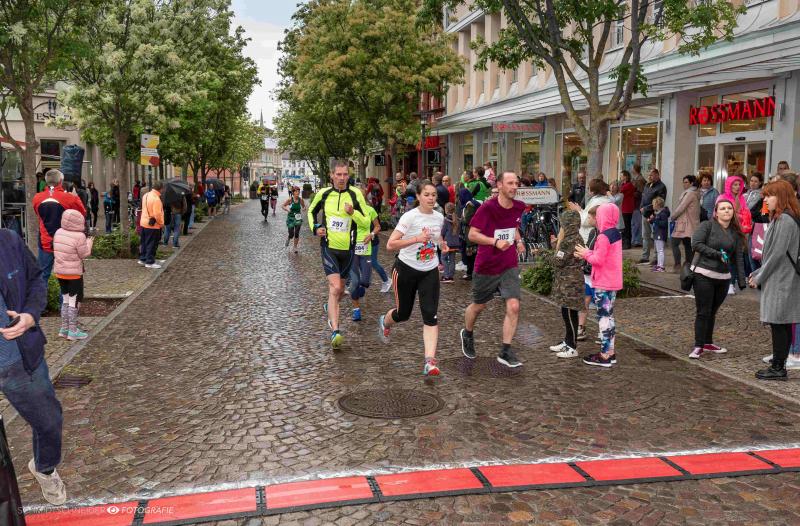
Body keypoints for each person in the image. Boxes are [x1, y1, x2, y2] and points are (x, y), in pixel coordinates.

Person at [0, 228, 66, 505]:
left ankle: (45, 468)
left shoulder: (8, 240)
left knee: (49, 422)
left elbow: (36, 278)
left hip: (19, 360)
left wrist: (29, 315)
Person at [378, 181, 447, 376]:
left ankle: (429, 362)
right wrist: (416, 239)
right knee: (403, 314)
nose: (431, 198)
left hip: (429, 270)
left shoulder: (439, 217)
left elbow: (436, 238)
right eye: (427, 194)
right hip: (405, 270)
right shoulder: (409, 217)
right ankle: (385, 321)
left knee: (430, 315)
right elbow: (390, 245)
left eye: (433, 195)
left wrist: (442, 245)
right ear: (418, 196)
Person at [459, 172, 527, 368]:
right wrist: (495, 242)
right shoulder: (487, 208)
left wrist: (519, 241)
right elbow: (472, 235)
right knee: (479, 306)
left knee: (514, 306)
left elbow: (513, 226)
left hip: (508, 264)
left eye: (516, 183)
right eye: (510, 183)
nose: (514, 187)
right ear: (499, 185)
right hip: (487, 265)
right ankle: (467, 333)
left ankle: (505, 350)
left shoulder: (519, 206)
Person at [308, 161, 370, 350]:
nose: (342, 178)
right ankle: (335, 330)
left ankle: (330, 306)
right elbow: (311, 211)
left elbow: (366, 221)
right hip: (329, 248)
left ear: (348, 176)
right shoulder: (324, 194)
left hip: (348, 251)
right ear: (332, 175)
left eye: (345, 174)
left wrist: (353, 213)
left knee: (340, 290)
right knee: (335, 287)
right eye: (339, 174)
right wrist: (316, 227)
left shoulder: (355, 194)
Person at [750, 180, 800, 379]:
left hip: (782, 279)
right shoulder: (781, 217)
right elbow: (773, 253)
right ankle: (779, 364)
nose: (766, 200)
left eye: (769, 196)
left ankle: (778, 367)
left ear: (781, 197)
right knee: (781, 323)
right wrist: (758, 272)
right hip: (781, 277)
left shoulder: (785, 220)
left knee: (779, 323)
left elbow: (777, 253)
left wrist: (759, 276)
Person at [688, 197, 746, 359]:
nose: (726, 210)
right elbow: (696, 244)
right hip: (703, 274)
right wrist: (717, 254)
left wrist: (742, 281)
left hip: (723, 278)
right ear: (716, 212)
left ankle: (707, 343)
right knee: (703, 311)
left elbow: (738, 257)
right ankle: (698, 346)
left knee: (712, 311)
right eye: (722, 208)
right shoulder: (707, 226)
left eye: (729, 208)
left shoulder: (735, 233)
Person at [574, 203, 623, 367]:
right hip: (612, 281)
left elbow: (598, 260)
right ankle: (610, 352)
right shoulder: (615, 233)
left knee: (604, 318)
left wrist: (585, 253)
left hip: (603, 281)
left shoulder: (603, 236)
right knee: (609, 317)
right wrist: (589, 253)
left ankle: (605, 355)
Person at [32, 169, 86, 285]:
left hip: (45, 242)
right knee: (65, 276)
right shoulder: (69, 198)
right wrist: (75, 197)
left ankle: (41, 297)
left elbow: (38, 213)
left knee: (43, 275)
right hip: (65, 243)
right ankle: (64, 298)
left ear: (46, 181)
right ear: (61, 181)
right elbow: (81, 213)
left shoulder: (37, 197)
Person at [545, 210, 584, 358]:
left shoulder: (568, 241)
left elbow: (558, 261)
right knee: (567, 312)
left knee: (569, 313)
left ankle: (572, 346)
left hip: (570, 284)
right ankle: (567, 341)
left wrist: (541, 252)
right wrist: (557, 244)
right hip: (569, 282)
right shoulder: (575, 237)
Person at [52, 210, 94, 341]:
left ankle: (64, 328)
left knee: (65, 300)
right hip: (74, 274)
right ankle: (73, 331)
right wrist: (89, 243)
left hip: (60, 272)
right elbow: (84, 254)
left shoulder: (58, 232)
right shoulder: (79, 236)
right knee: (73, 301)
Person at [346, 187, 380, 322]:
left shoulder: (370, 210)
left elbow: (377, 226)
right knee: (354, 281)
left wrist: (371, 235)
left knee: (365, 282)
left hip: (366, 250)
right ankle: (356, 310)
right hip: (351, 250)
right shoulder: (347, 211)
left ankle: (358, 288)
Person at [720, 175, 753, 294]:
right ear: (729, 185)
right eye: (735, 184)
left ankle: (731, 284)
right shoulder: (722, 197)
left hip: (738, 233)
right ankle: (722, 282)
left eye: (739, 184)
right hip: (724, 231)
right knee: (724, 258)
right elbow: (717, 213)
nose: (738, 187)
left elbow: (745, 215)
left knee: (734, 259)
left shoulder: (742, 198)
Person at [670, 175, 701, 271]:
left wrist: (673, 216)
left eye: (686, 182)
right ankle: (688, 266)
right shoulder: (695, 193)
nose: (684, 184)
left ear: (692, 183)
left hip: (685, 223)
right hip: (691, 223)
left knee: (674, 243)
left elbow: (681, 207)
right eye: (683, 182)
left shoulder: (690, 193)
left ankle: (678, 265)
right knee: (687, 245)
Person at [638, 168, 667, 264]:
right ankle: (645, 257)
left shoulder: (661, 187)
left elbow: (659, 202)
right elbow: (643, 198)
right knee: (645, 236)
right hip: (644, 214)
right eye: (649, 175)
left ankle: (656, 258)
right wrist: (641, 207)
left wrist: (646, 208)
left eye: (651, 175)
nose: (649, 177)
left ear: (657, 175)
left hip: (655, 215)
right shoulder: (647, 185)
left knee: (655, 236)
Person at [139, 181, 164, 269]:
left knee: (144, 242)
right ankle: (150, 262)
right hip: (153, 225)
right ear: (161, 189)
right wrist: (161, 223)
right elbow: (157, 214)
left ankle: (143, 259)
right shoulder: (156, 199)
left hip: (143, 222)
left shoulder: (146, 195)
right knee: (152, 244)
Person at [649, 197, 670, 272]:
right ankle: (659, 265)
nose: (653, 206)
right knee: (658, 250)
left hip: (660, 234)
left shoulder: (663, 213)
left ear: (658, 205)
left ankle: (661, 266)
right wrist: (651, 220)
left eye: (653, 204)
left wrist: (655, 219)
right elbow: (656, 222)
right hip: (657, 233)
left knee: (660, 250)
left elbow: (664, 224)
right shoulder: (658, 213)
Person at [441, 202, 460, 283]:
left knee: (443, 258)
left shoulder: (446, 220)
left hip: (447, 243)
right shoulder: (457, 219)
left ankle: (446, 276)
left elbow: (443, 232)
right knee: (452, 260)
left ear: (446, 210)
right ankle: (451, 276)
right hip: (455, 243)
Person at [282, 187, 306, 253]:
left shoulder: (300, 200)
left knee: (297, 232)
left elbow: (304, 206)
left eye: (298, 191)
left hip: (298, 218)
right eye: (296, 191)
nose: (297, 193)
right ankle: (289, 237)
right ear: (293, 193)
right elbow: (283, 206)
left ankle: (295, 247)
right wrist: (287, 209)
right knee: (291, 234)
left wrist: (304, 208)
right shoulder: (290, 200)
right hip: (291, 218)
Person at [619, 171, 636, 249]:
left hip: (627, 208)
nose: (620, 177)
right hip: (624, 208)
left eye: (622, 176)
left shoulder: (628, 185)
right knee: (625, 226)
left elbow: (621, 191)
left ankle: (627, 243)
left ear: (626, 177)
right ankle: (625, 242)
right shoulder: (624, 184)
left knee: (626, 226)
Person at [630, 164, 645, 246]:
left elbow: (641, 192)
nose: (631, 169)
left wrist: (631, 193)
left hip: (637, 204)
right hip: (634, 204)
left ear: (635, 169)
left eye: (632, 168)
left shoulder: (640, 180)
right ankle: (635, 239)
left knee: (637, 223)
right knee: (634, 223)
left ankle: (637, 240)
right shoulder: (635, 178)